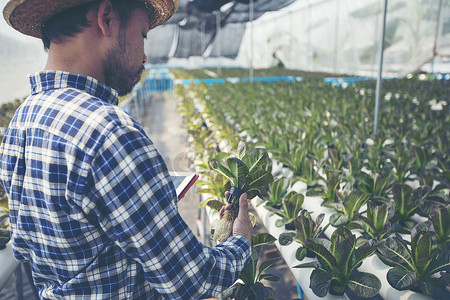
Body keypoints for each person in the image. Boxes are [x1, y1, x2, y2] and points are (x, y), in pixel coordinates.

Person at [0, 0, 253, 299]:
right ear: (106, 19)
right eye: (143, 34)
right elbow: (192, 280)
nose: (145, 55)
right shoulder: (109, 130)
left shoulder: (23, 119)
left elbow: (31, 245)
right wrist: (240, 241)